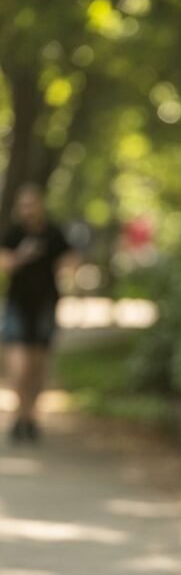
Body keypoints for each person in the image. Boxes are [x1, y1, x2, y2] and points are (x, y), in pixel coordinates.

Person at [0, 183, 77, 442]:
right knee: (20, 367)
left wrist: (68, 267)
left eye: (31, 204)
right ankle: (18, 415)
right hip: (17, 305)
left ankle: (31, 417)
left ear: (40, 205)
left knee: (38, 366)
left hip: (45, 304)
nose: (27, 210)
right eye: (23, 205)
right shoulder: (14, 234)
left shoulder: (53, 233)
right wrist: (22, 255)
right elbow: (4, 263)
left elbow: (72, 258)